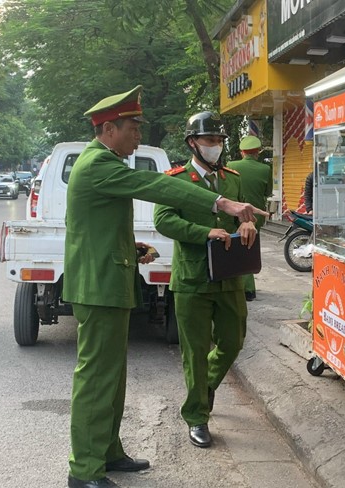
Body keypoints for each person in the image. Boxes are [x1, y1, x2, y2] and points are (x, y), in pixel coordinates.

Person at [64, 88, 265, 488]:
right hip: (98, 287)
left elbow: (96, 227)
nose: (139, 135)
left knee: (112, 376)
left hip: (108, 281)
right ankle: (83, 469)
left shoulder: (102, 161)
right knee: (96, 378)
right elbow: (158, 187)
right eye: (133, 127)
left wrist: (130, 246)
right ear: (109, 128)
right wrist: (222, 204)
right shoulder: (98, 164)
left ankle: (108, 451)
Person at [153, 111, 256, 450]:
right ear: (192, 142)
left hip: (229, 277)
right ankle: (197, 416)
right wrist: (204, 232)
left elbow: (247, 215)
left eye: (220, 140)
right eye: (210, 140)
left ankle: (205, 386)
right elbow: (164, 221)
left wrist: (247, 225)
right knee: (195, 352)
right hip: (193, 279)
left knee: (232, 341)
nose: (216, 146)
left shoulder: (232, 178)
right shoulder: (176, 179)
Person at [226, 135, 272, 301]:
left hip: (234, 212)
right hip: (255, 215)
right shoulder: (265, 169)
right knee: (249, 247)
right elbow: (267, 192)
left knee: (235, 246)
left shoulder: (231, 165)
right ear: (257, 153)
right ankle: (249, 289)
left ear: (241, 152)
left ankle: (240, 286)